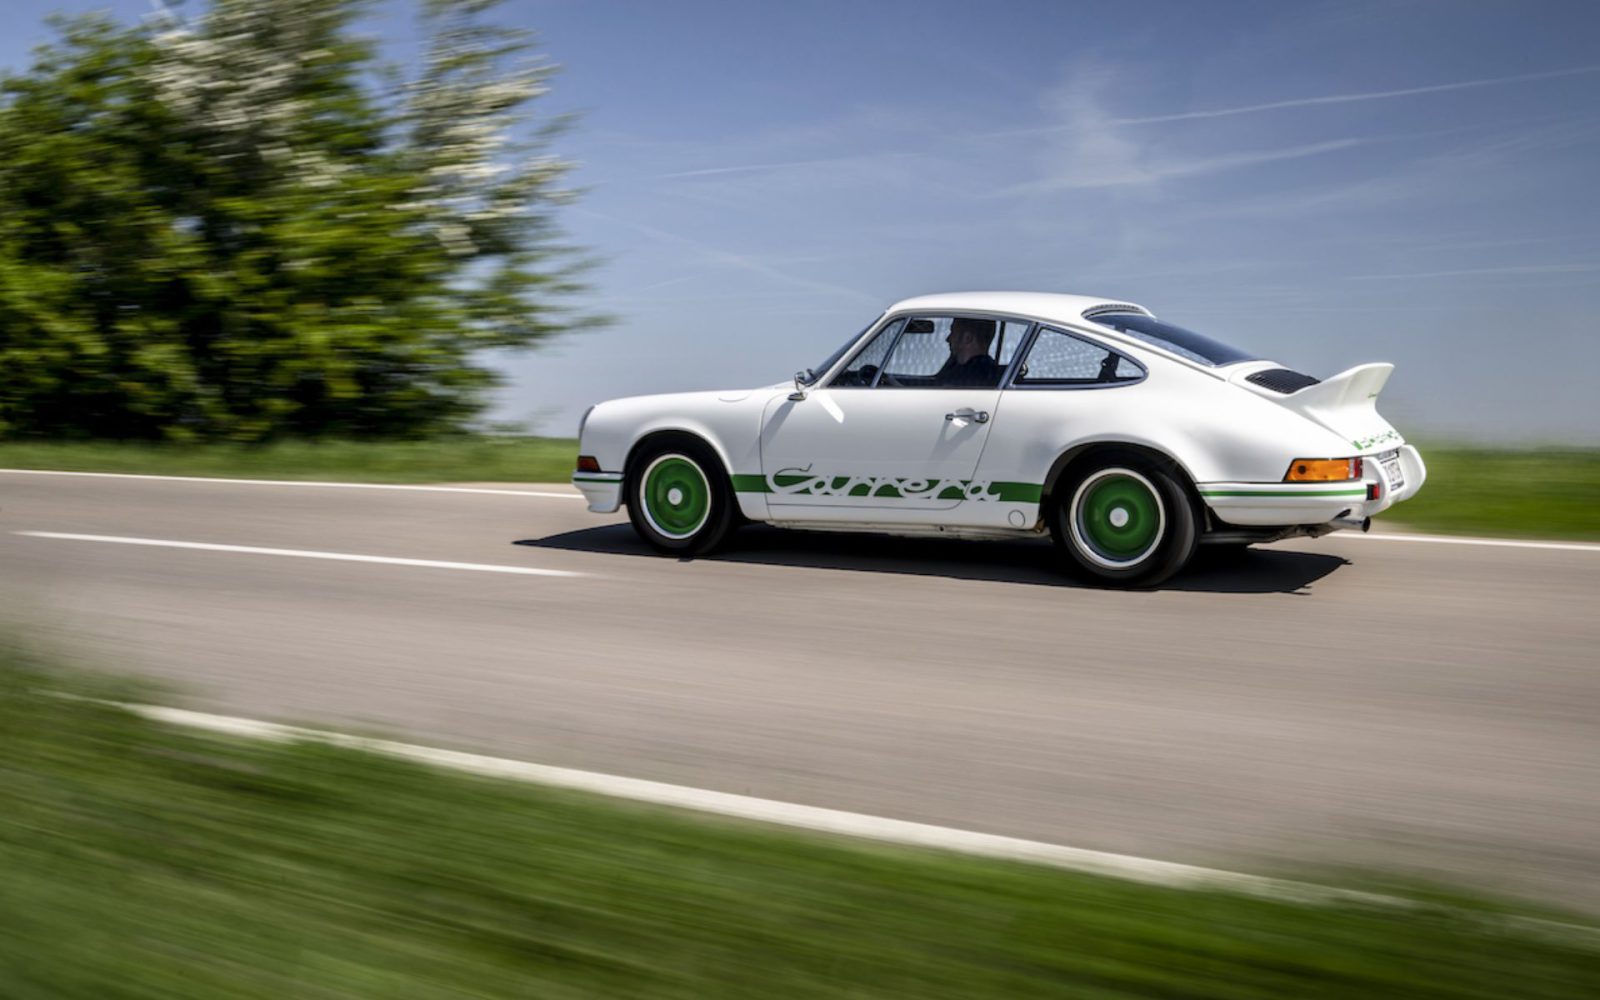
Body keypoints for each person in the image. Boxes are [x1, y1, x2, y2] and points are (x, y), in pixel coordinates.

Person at [934, 317, 1001, 387]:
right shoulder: (990, 371)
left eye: (952, 332)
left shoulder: (965, 378)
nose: (948, 339)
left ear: (968, 338)